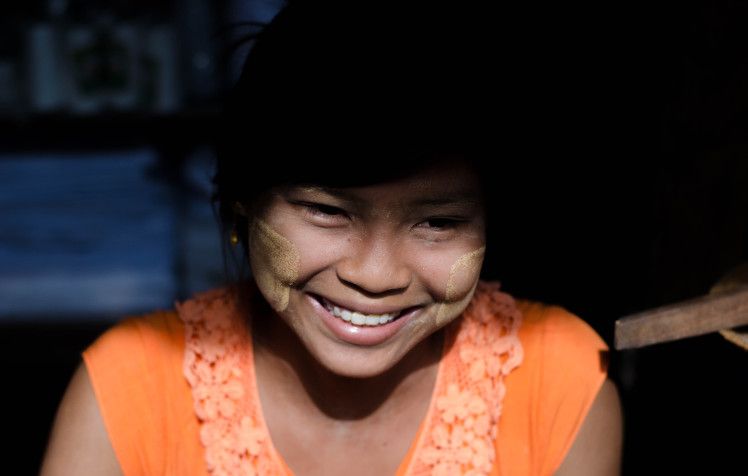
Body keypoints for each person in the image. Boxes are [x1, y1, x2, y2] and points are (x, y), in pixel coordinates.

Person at [40, 1, 622, 475]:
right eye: (326, 212)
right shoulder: (129, 390)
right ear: (243, 205)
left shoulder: (557, 380)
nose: (375, 276)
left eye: (437, 224)